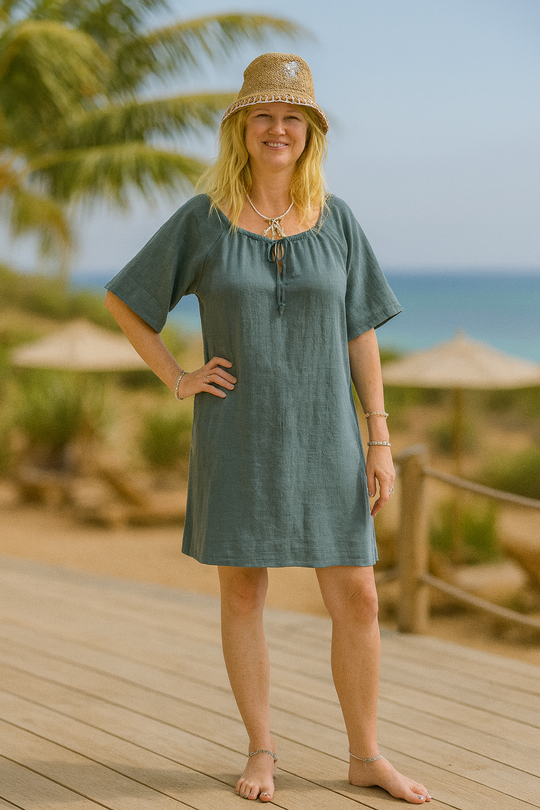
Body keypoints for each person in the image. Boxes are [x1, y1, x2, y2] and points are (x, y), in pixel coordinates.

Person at [104, 52, 431, 804]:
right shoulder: (203, 219)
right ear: (242, 129)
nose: (277, 128)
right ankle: (261, 749)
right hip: (240, 433)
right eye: (264, 115)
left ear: (310, 132)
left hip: (328, 434)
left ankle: (366, 755)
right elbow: (129, 301)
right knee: (244, 592)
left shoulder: (338, 217)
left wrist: (379, 439)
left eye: (292, 117)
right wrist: (177, 376)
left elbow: (361, 334)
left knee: (359, 596)